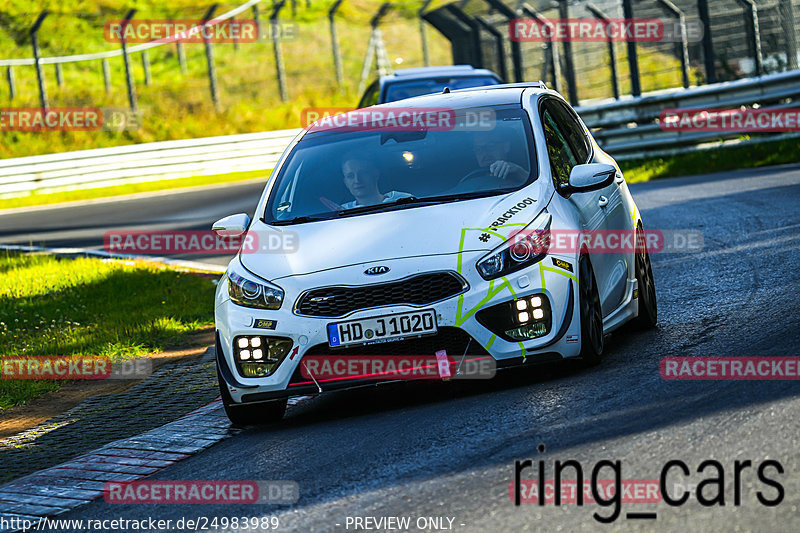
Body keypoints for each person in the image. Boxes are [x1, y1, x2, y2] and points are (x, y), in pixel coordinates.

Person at [340, 156, 412, 209]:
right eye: (350, 176)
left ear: (376, 174)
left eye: (363, 173)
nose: (357, 180)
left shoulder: (406, 200)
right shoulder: (340, 212)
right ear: (345, 182)